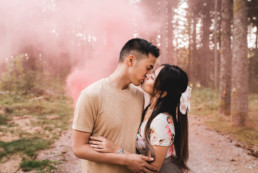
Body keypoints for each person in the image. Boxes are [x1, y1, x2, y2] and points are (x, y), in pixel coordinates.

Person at [72, 38, 160, 173]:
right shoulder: (90, 95)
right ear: (131, 61)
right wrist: (125, 159)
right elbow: (79, 148)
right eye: (148, 68)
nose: (148, 75)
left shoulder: (139, 95)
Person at [89, 64, 191, 173]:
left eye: (152, 77)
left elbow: (153, 168)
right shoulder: (150, 110)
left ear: (160, 93)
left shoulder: (161, 122)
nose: (147, 75)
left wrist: (116, 150)